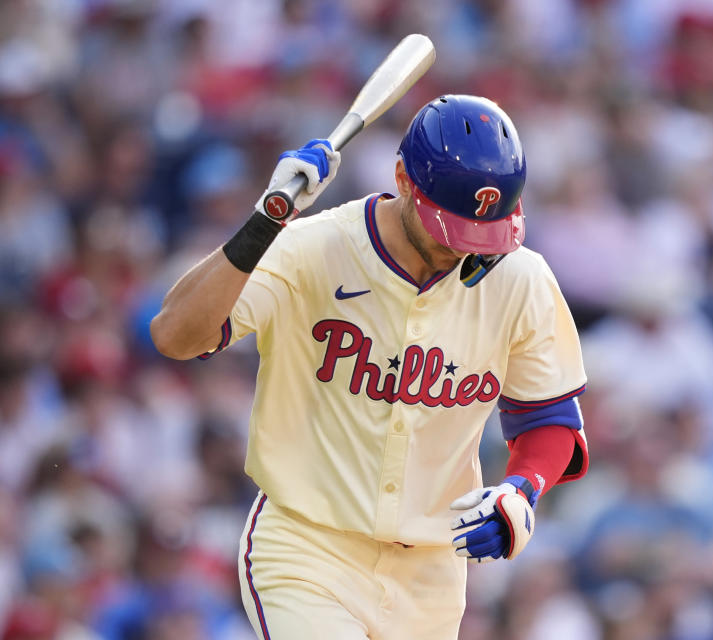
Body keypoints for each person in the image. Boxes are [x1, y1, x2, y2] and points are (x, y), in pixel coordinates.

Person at [150, 94, 589, 640]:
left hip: (431, 573)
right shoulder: (312, 246)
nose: (464, 250)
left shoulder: (521, 278)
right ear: (403, 179)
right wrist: (266, 221)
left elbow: (548, 418)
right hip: (309, 547)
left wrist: (522, 489)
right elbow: (175, 335)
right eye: (449, 228)